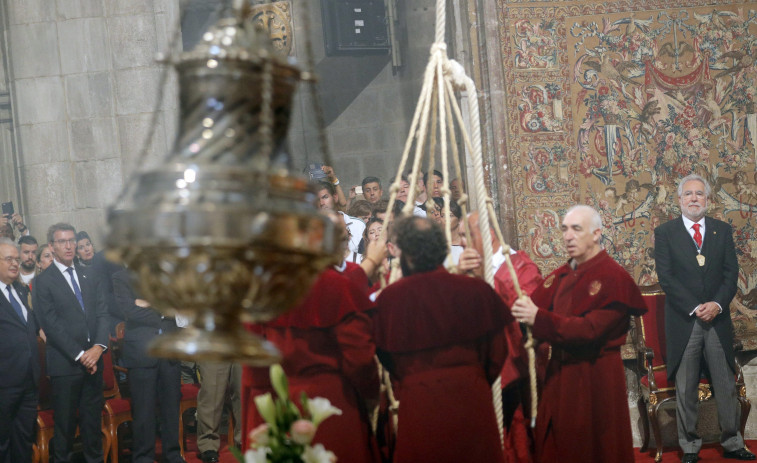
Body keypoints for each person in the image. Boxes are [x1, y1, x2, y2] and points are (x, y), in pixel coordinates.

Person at [511, 205, 646, 463]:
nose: (568, 236)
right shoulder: (562, 274)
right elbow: (531, 310)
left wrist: (537, 318)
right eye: (564, 229)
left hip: (595, 377)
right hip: (559, 376)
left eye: (576, 229)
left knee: (595, 448)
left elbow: (589, 330)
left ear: (596, 234)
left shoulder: (613, 277)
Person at [373, 216, 510, 463]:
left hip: (419, 402)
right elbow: (497, 351)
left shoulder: (389, 299)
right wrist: (473, 378)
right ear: (442, 248)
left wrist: (414, 380)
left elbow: (386, 357)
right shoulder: (476, 290)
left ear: (405, 252)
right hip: (472, 398)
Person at [243, 226, 380, 463]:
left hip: (283, 402)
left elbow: (255, 364)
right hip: (334, 401)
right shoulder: (335, 285)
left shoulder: (266, 289)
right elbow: (360, 359)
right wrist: (372, 394)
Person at [654, 174, 755, 462]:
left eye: (700, 194)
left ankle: (733, 443)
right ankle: (689, 447)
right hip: (684, 322)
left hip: (717, 320)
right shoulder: (666, 233)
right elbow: (667, 278)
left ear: (708, 200)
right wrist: (696, 307)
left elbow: (730, 273)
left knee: (724, 384)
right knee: (685, 387)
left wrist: (716, 304)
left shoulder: (721, 231)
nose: (694, 198)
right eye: (689, 194)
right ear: (679, 200)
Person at [33, 223, 109, 463]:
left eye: (71, 240)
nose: (68, 245)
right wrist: (81, 355)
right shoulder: (43, 281)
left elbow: (103, 313)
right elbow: (51, 326)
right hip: (66, 365)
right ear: (52, 246)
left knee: (92, 428)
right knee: (64, 432)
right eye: (62, 241)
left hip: (94, 361)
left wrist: (98, 348)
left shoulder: (91, 273)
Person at [112, 269, 185, 463]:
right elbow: (129, 310)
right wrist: (162, 312)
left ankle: (173, 454)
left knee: (171, 407)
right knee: (143, 410)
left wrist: (148, 305)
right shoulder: (121, 276)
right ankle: (143, 457)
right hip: (141, 351)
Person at [0, 238, 39, 463]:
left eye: (17, 259)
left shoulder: (20, 290)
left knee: (23, 441)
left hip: (27, 381)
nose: (15, 263)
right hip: (4, 382)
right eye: (9, 259)